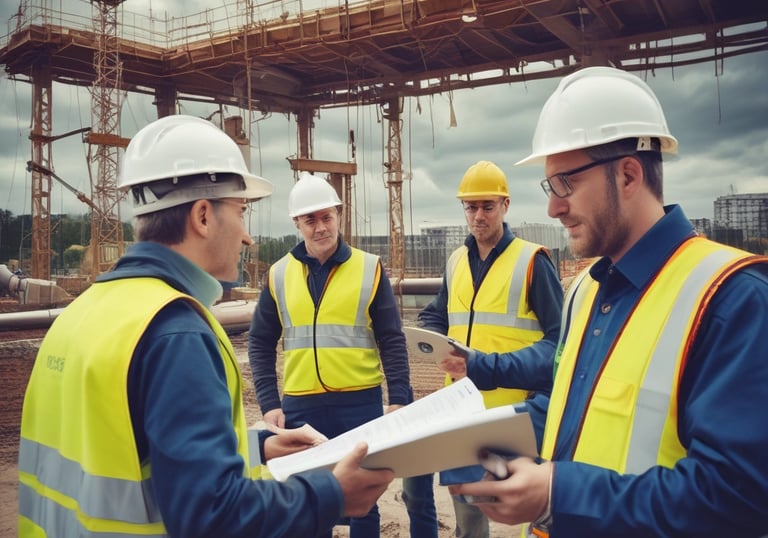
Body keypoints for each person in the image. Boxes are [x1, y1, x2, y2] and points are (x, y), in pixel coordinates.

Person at [18, 114, 394, 538]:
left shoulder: (80, 314)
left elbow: (128, 451)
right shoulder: (175, 333)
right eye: (241, 211)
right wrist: (330, 494)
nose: (248, 236)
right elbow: (212, 516)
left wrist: (257, 448)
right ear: (202, 216)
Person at [449, 66, 768, 537]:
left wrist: (559, 495)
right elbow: (568, 409)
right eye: (549, 188)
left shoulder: (731, 299)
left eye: (565, 184)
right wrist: (457, 436)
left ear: (628, 175)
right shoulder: (586, 290)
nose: (554, 207)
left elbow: (738, 494)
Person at [248, 171, 437, 538]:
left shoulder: (369, 268)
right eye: (310, 219)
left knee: (364, 499)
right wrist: (270, 401)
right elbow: (259, 340)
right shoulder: (278, 274)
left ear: (339, 214)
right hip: (301, 404)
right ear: (297, 223)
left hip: (359, 402)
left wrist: (398, 397)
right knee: (306, 495)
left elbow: (391, 338)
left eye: (326, 216)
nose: (320, 227)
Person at [417, 160, 564, 538]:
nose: (478, 215)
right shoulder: (455, 262)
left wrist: (490, 365)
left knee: (521, 518)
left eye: (487, 206)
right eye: (471, 207)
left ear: (505, 205)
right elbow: (437, 314)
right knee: (469, 518)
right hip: (462, 410)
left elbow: (561, 344)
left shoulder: (532, 262)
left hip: (515, 415)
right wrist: (434, 341)